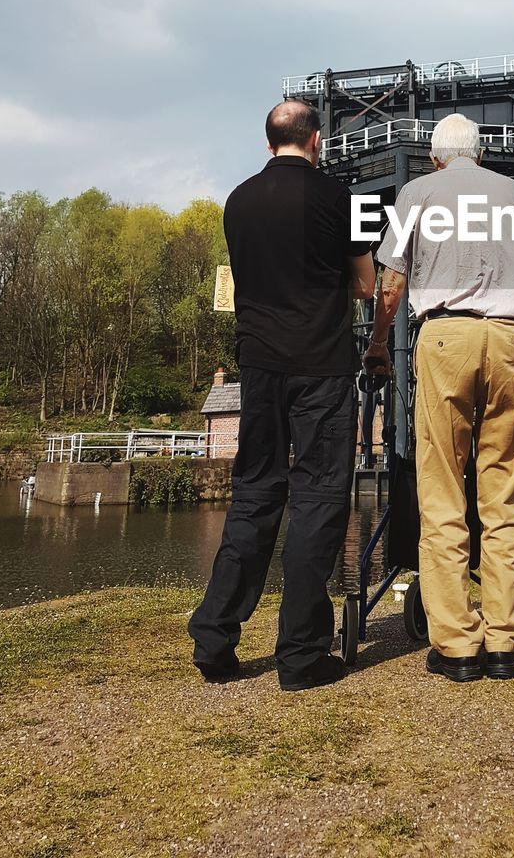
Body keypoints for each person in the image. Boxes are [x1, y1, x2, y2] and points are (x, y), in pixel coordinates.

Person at [188, 100, 375, 691]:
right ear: (316, 140)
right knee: (318, 499)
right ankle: (300, 655)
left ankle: (215, 638)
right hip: (321, 366)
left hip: (260, 366)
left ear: (269, 142)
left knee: (254, 495)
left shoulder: (237, 201)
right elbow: (368, 284)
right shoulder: (340, 199)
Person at [365, 113, 514, 682]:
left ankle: (456, 645)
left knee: (443, 487)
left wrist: (377, 343)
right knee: (504, 490)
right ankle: (504, 640)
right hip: (513, 338)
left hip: (446, 336)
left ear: (436, 157)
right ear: (481, 154)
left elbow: (391, 283)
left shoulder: (417, 193)